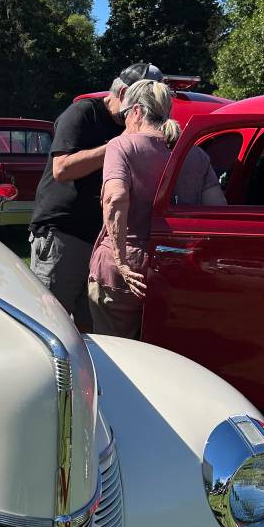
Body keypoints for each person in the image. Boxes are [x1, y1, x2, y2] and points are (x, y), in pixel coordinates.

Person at [29, 63, 164, 328]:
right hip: (63, 234)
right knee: (48, 323)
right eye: (141, 103)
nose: (142, 114)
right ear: (124, 93)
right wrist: (118, 144)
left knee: (90, 328)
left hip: (100, 242)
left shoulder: (131, 128)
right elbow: (62, 169)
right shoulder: (83, 112)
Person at [87, 80, 223, 338]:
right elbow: (217, 211)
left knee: (117, 353)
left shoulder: (122, 146)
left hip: (124, 269)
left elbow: (115, 199)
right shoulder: (195, 155)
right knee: (164, 350)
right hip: (175, 266)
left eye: (125, 114)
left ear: (136, 111)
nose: (125, 122)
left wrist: (121, 261)